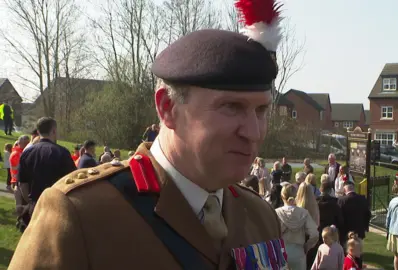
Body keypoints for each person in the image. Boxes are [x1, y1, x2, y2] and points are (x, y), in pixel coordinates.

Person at [9, 20, 285, 269]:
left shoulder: (261, 217)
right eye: (232, 107)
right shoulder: (80, 214)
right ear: (168, 108)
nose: (253, 131)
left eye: (261, 111)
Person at [17, 117, 77, 221]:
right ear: (54, 131)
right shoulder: (61, 153)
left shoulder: (26, 153)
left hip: (34, 207)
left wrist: (31, 202)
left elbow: (22, 184)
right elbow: (72, 180)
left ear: (38, 131)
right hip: (56, 207)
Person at [276, 184, 319, 270]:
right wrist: (307, 246)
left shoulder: (276, 213)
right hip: (298, 252)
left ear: (282, 196)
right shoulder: (303, 213)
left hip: (281, 251)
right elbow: (314, 234)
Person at [337, 184, 370, 265]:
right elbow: (368, 214)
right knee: (358, 252)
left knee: (347, 253)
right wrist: (365, 226)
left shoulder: (341, 200)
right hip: (359, 231)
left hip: (345, 232)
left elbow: (339, 217)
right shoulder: (362, 199)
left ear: (345, 190)